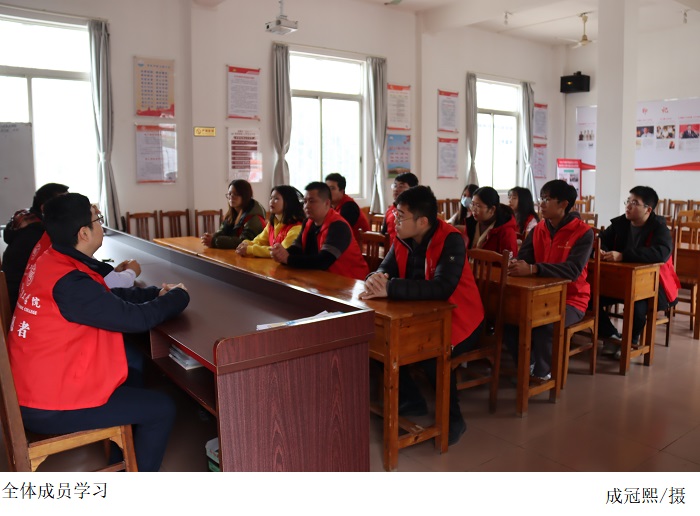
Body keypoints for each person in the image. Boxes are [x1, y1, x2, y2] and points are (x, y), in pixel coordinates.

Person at [7, 193, 190, 472]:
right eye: (98, 219)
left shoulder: (53, 261)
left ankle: (122, 457)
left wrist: (155, 294)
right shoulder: (71, 283)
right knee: (162, 408)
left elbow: (106, 297)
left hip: (38, 383)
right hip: (48, 403)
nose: (101, 225)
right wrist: (178, 297)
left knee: (134, 366)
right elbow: (136, 320)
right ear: (83, 233)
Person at [360, 185, 484, 446]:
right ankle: (412, 399)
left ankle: (454, 419)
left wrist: (390, 287)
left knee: (431, 355)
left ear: (423, 221)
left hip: (461, 318)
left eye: (401, 216)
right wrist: (374, 278)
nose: (395, 221)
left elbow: (442, 288)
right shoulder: (403, 237)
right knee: (381, 341)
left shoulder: (451, 240)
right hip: (422, 316)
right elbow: (384, 267)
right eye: (396, 214)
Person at [505, 180, 594, 381]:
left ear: (563, 204)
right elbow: (525, 257)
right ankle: (529, 363)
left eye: (547, 199)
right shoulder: (539, 228)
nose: (541, 204)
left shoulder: (583, 232)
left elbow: (572, 270)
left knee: (545, 325)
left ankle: (543, 373)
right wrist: (516, 264)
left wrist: (534, 269)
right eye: (541, 198)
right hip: (540, 294)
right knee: (509, 319)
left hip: (571, 298)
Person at [2, 183, 139, 309]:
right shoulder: (43, 234)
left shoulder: (33, 225)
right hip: (25, 302)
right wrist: (131, 272)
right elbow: (104, 283)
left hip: (24, 300)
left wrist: (108, 272)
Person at [598, 186, 680, 358]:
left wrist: (623, 256)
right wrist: (601, 250)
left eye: (635, 203)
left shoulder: (659, 228)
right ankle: (611, 336)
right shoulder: (621, 223)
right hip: (619, 280)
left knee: (637, 307)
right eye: (628, 201)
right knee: (588, 298)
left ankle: (631, 341)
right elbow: (601, 239)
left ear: (648, 209)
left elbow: (661, 253)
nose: (628, 206)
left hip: (651, 284)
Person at [270, 182, 369, 280]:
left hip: (350, 282)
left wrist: (288, 259)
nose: (306, 206)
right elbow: (297, 248)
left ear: (327, 203)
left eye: (311, 201)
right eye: (305, 201)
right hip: (321, 278)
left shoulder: (338, 226)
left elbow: (323, 261)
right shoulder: (307, 222)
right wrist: (281, 253)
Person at [235, 185, 304, 258]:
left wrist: (250, 249)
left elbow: (281, 251)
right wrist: (246, 244)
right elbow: (259, 241)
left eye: (276, 198)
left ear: (288, 202)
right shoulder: (272, 224)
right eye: (271, 198)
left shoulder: (297, 227)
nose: (271, 201)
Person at [201, 179, 265, 249]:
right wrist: (212, 237)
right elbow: (223, 231)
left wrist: (215, 241)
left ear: (245, 196)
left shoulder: (254, 218)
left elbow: (244, 242)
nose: (231, 197)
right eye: (229, 194)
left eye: (235, 194)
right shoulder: (232, 213)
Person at [464, 186, 518, 256]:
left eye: (478, 206)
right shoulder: (471, 223)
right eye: (473, 204)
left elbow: (509, 261)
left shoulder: (506, 231)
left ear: (492, 209)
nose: (474, 209)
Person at [324, 172, 369, 242]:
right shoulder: (331, 206)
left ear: (342, 191)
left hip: (361, 245)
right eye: (326, 188)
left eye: (332, 188)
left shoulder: (349, 207)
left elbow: (339, 231)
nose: (328, 192)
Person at [381, 172, 419, 247]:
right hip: (391, 250)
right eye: (395, 186)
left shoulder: (415, 211)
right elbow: (383, 235)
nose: (396, 189)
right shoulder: (390, 210)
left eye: (401, 186)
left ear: (412, 189)